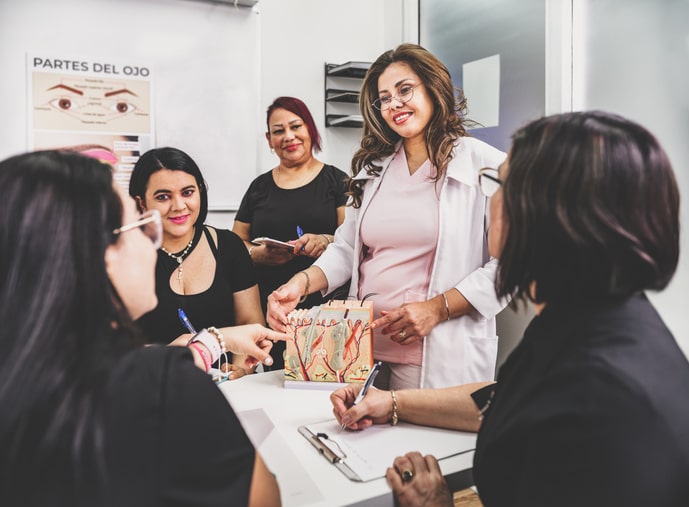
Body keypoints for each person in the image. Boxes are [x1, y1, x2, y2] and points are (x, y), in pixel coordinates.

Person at [330, 111, 689, 506]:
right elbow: (504, 399)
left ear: (549, 214)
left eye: (500, 182)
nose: (490, 195)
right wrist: (392, 404)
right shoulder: (588, 317)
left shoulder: (599, 397)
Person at [0, 150, 286, 505]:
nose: (152, 243)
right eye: (138, 225)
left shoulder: (26, 371)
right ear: (102, 255)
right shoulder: (163, 385)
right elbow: (262, 498)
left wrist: (209, 344)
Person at [267, 44, 507, 389]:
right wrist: (300, 285)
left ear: (433, 88)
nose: (394, 104)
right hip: (361, 345)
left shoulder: (484, 164)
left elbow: (511, 265)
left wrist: (437, 308)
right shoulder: (374, 169)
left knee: (423, 441)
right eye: (384, 97)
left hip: (437, 349)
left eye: (405, 90)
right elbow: (347, 248)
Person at [233, 96, 349, 369]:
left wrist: (326, 240)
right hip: (274, 311)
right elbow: (235, 242)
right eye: (278, 131)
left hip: (327, 310)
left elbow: (351, 238)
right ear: (269, 139)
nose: (288, 136)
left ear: (310, 128)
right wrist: (256, 254)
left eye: (296, 126)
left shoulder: (337, 181)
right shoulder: (259, 188)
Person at [130, 147, 265, 378]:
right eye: (163, 197)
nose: (179, 206)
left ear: (200, 191)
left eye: (187, 192)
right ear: (142, 203)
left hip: (224, 388)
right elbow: (116, 348)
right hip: (152, 384)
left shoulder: (228, 245)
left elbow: (250, 323)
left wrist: (240, 370)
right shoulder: (128, 256)